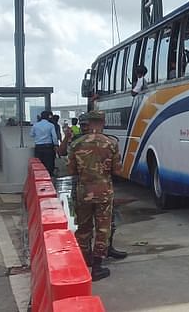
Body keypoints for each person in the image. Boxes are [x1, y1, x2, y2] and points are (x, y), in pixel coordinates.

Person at [67, 110, 121, 281]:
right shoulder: (111, 143)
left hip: (83, 192)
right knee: (102, 229)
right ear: (103, 123)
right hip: (104, 192)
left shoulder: (77, 144)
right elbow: (117, 170)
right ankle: (97, 268)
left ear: (88, 123)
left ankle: (84, 262)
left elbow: (71, 170)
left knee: (83, 228)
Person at [30, 110, 59, 175]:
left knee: (39, 164)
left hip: (38, 147)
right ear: (48, 117)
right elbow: (54, 137)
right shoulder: (51, 125)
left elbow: (31, 134)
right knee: (49, 163)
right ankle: (49, 176)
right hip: (48, 147)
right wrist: (56, 145)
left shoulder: (35, 125)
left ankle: (40, 176)